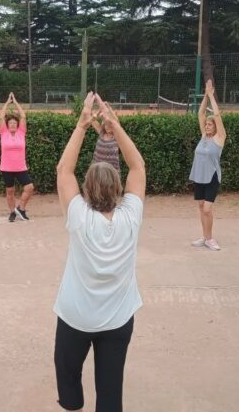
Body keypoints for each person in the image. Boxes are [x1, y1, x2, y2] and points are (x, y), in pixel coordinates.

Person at [53, 92, 146, 412]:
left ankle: (73, 404)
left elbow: (64, 170)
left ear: (86, 189)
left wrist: (82, 125)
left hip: (75, 318)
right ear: (119, 189)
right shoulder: (131, 216)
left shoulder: (79, 217)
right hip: (118, 321)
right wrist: (114, 125)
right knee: (110, 390)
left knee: (67, 375)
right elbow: (137, 165)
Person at [189, 79, 227, 251]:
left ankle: (210, 239)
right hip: (199, 176)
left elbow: (216, 116)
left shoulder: (220, 138)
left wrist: (211, 96)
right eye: (206, 124)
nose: (207, 125)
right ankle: (204, 237)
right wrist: (205, 95)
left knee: (206, 209)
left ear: (216, 127)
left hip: (212, 177)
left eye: (210, 124)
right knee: (200, 207)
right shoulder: (204, 136)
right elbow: (200, 114)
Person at [0, 92, 35, 222]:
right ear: (7, 125)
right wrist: (8, 102)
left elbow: (23, 116)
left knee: (29, 188)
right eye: (11, 123)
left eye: (15, 123)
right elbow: (1, 117)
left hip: (20, 168)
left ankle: (21, 208)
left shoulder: (21, 132)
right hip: (6, 168)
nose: (13, 124)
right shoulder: (3, 133)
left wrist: (16, 102)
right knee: (10, 191)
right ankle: (12, 212)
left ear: (18, 125)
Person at [90, 103, 120, 172]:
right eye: (106, 125)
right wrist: (100, 109)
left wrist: (109, 108)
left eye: (109, 125)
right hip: (97, 170)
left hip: (111, 171)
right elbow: (92, 119)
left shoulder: (117, 136)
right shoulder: (101, 132)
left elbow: (116, 121)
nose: (107, 127)